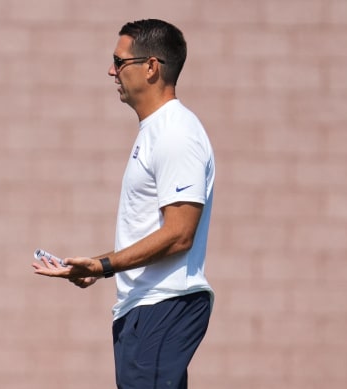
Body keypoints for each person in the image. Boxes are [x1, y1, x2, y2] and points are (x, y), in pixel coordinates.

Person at [33, 19, 215, 389]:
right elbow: (154, 232)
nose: (111, 70)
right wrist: (98, 265)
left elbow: (180, 235)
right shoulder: (156, 131)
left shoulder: (176, 132)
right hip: (146, 309)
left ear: (151, 67)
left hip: (164, 306)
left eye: (119, 61)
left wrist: (104, 265)